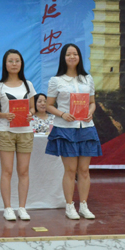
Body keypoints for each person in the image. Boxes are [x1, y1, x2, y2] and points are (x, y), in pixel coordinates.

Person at [46, 43, 102, 220]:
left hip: (86, 128)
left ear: (79, 57)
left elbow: (92, 102)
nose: (72, 57)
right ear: (63, 58)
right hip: (66, 129)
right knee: (70, 170)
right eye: (68, 54)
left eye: (75, 54)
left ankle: (84, 205)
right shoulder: (56, 80)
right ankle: (69, 206)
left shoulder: (87, 79)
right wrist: (62, 114)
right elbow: (48, 105)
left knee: (84, 170)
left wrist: (90, 112)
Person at [0, 49, 36, 221]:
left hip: (25, 132)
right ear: (5, 64)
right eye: (10, 61)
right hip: (6, 131)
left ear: (21, 63)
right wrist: (4, 115)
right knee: (7, 171)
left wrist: (31, 114)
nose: (14, 64)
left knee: (23, 171)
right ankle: (7, 208)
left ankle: (22, 208)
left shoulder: (28, 85)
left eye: (17, 61)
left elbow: (33, 107)